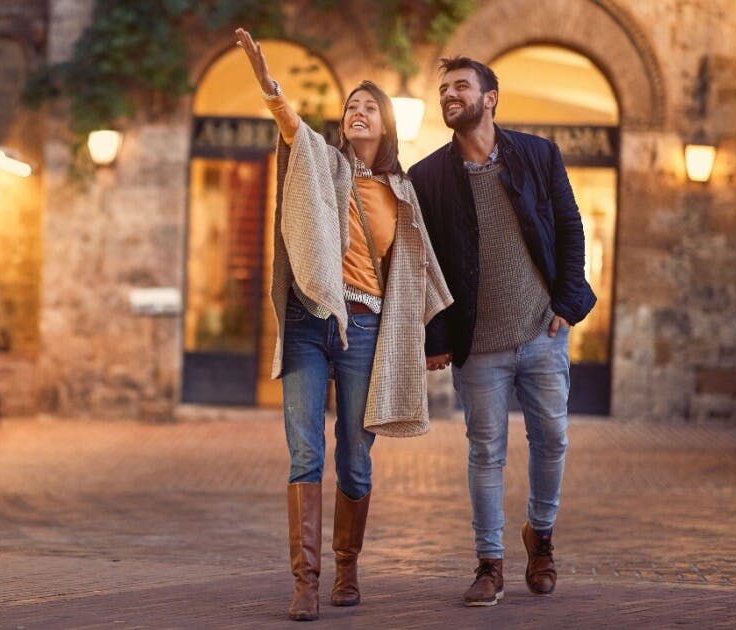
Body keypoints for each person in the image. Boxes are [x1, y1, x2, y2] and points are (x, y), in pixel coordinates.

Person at [235, 28, 452, 621]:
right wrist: (270, 88)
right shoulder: (323, 163)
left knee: (355, 456)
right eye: (351, 106)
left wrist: (431, 340)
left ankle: (346, 569)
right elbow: (294, 132)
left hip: (365, 327)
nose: (358, 112)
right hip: (311, 321)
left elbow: (420, 275)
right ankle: (305, 581)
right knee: (304, 452)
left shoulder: (401, 193)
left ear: (385, 126)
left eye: (369, 108)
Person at [408, 56, 597, 606]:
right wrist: (437, 338)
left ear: (490, 97)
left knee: (552, 439)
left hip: (542, 331)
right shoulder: (428, 177)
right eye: (443, 88)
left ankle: (541, 540)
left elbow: (569, 227)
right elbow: (428, 266)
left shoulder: (538, 155)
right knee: (485, 450)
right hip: (478, 345)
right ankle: (490, 563)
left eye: (461, 87)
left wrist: (566, 302)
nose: (450, 95)